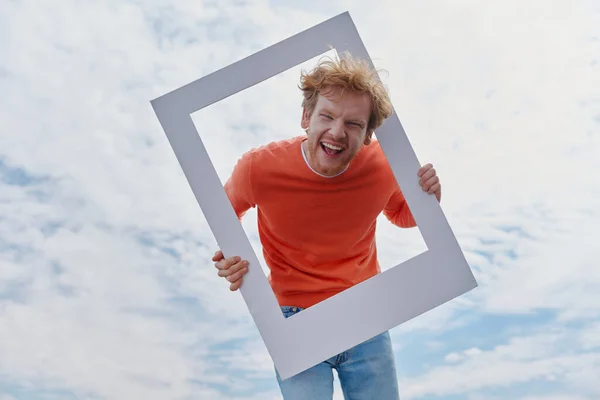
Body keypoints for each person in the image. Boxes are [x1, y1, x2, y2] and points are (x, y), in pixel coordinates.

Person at [212, 53, 441, 399]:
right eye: (327, 116)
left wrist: (428, 198)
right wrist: (229, 258)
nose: (337, 132)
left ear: (367, 134)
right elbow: (223, 216)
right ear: (306, 117)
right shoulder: (258, 168)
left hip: (365, 313)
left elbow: (401, 215)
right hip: (295, 319)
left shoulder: (381, 164)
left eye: (353, 124)